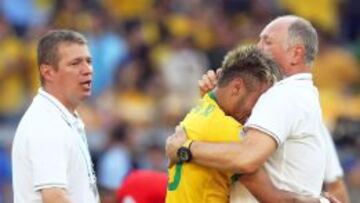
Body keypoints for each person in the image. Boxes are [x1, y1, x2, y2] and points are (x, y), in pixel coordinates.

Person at [166, 15, 344, 202]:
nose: (258, 47)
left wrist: (183, 149)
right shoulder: (302, 95)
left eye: (267, 41)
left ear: (296, 54)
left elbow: (245, 159)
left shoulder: (283, 96)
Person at [12, 29, 99, 203]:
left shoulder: (61, 116)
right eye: (75, 63)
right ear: (48, 72)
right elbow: (54, 197)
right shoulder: (46, 123)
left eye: (88, 61)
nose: (87, 70)